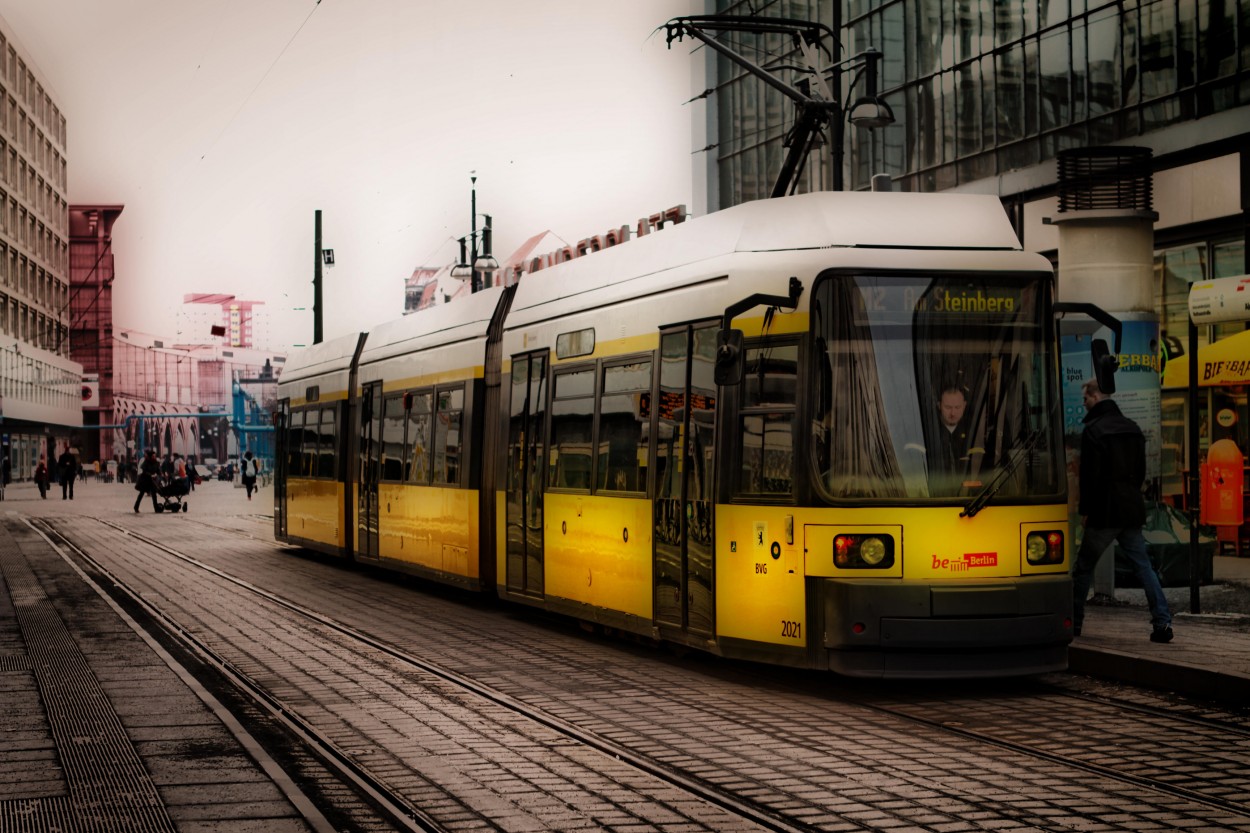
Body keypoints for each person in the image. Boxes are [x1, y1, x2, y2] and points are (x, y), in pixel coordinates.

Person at [1072, 379, 1173, 643]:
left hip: (1104, 511)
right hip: (1130, 508)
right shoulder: (1132, 428)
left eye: (1085, 399)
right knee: (1143, 567)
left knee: (1083, 568)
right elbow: (1140, 473)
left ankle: (1074, 623)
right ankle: (1162, 622)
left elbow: (1090, 478)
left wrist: (1086, 510)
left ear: (1095, 397)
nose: (1083, 405)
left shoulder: (1094, 431)